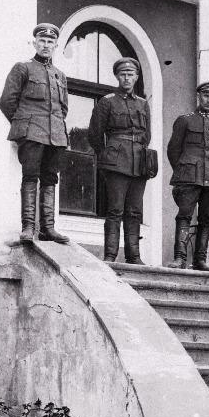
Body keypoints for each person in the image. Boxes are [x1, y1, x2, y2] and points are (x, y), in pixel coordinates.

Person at [0, 23, 70, 244]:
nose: (46, 45)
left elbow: (63, 108)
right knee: (30, 176)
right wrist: (23, 125)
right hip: (31, 133)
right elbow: (7, 102)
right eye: (42, 41)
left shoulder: (60, 75)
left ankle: (48, 228)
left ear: (56, 45)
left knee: (50, 179)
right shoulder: (23, 68)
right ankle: (28, 227)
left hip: (55, 135)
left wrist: (53, 126)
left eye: (50, 42)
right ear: (35, 43)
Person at [88, 57, 151, 264]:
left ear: (136, 77)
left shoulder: (143, 104)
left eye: (130, 74)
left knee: (134, 211)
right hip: (115, 162)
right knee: (115, 210)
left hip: (139, 162)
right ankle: (111, 255)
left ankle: (134, 256)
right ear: (117, 76)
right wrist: (106, 155)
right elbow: (95, 134)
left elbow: (146, 135)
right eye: (123, 74)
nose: (127, 78)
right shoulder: (107, 101)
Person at [167, 81, 209, 271]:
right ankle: (179, 258)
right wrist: (184, 170)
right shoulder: (185, 120)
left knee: (206, 219)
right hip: (189, 177)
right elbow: (173, 150)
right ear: (199, 97)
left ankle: (200, 260)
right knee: (184, 215)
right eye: (206, 96)